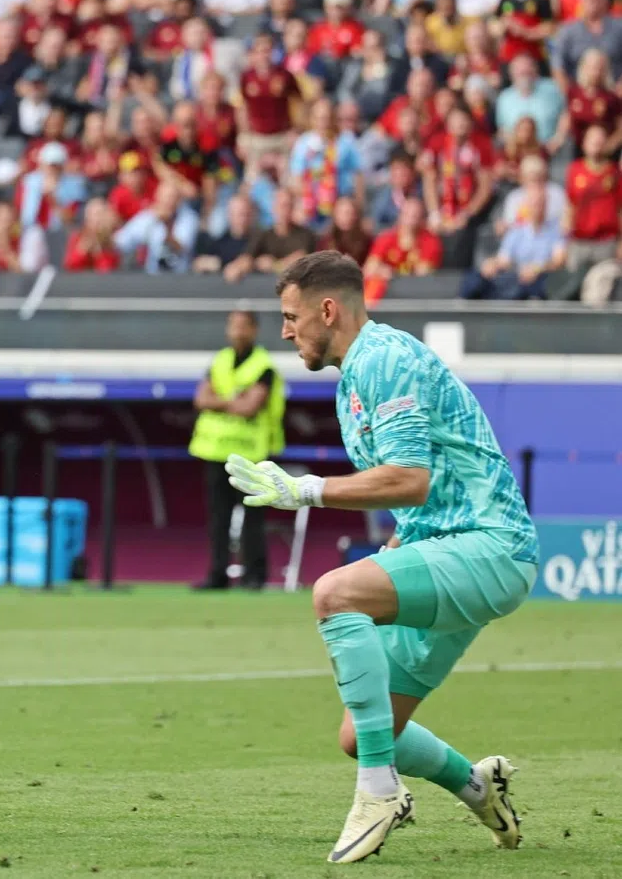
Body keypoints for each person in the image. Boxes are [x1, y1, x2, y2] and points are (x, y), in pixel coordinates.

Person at [232, 251, 530, 863]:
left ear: (328, 309)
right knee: (365, 733)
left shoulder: (385, 361)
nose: (285, 331)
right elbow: (426, 492)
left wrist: (306, 489)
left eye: (291, 317)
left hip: (491, 547)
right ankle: (477, 787)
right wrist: (396, 544)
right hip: (442, 547)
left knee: (333, 594)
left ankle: (379, 792)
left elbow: (410, 478)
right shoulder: (356, 379)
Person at [188, 310, 284, 591]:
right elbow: (201, 399)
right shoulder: (220, 360)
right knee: (218, 518)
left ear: (254, 329)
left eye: (243, 326)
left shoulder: (263, 366)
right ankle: (217, 575)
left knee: (253, 517)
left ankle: (254, 576)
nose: (238, 332)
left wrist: (220, 400)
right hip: (215, 451)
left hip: (251, 453)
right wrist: (233, 400)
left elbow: (250, 407)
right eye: (233, 326)